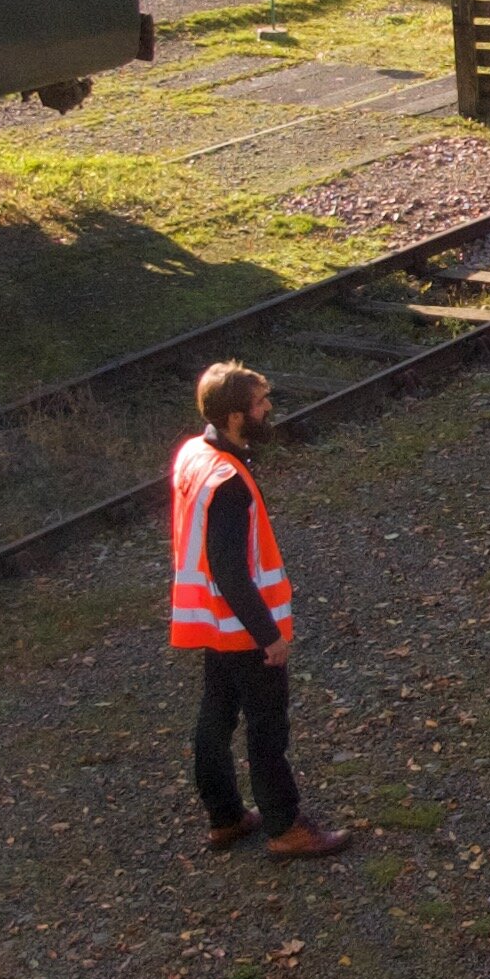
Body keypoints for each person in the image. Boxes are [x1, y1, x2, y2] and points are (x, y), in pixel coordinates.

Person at [167, 362, 348, 858]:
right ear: (234, 417)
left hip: (207, 620)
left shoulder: (193, 455)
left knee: (215, 717)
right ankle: (285, 826)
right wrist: (269, 635)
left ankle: (225, 817)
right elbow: (230, 570)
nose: (268, 410)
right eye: (259, 404)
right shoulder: (228, 482)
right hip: (241, 627)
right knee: (267, 728)